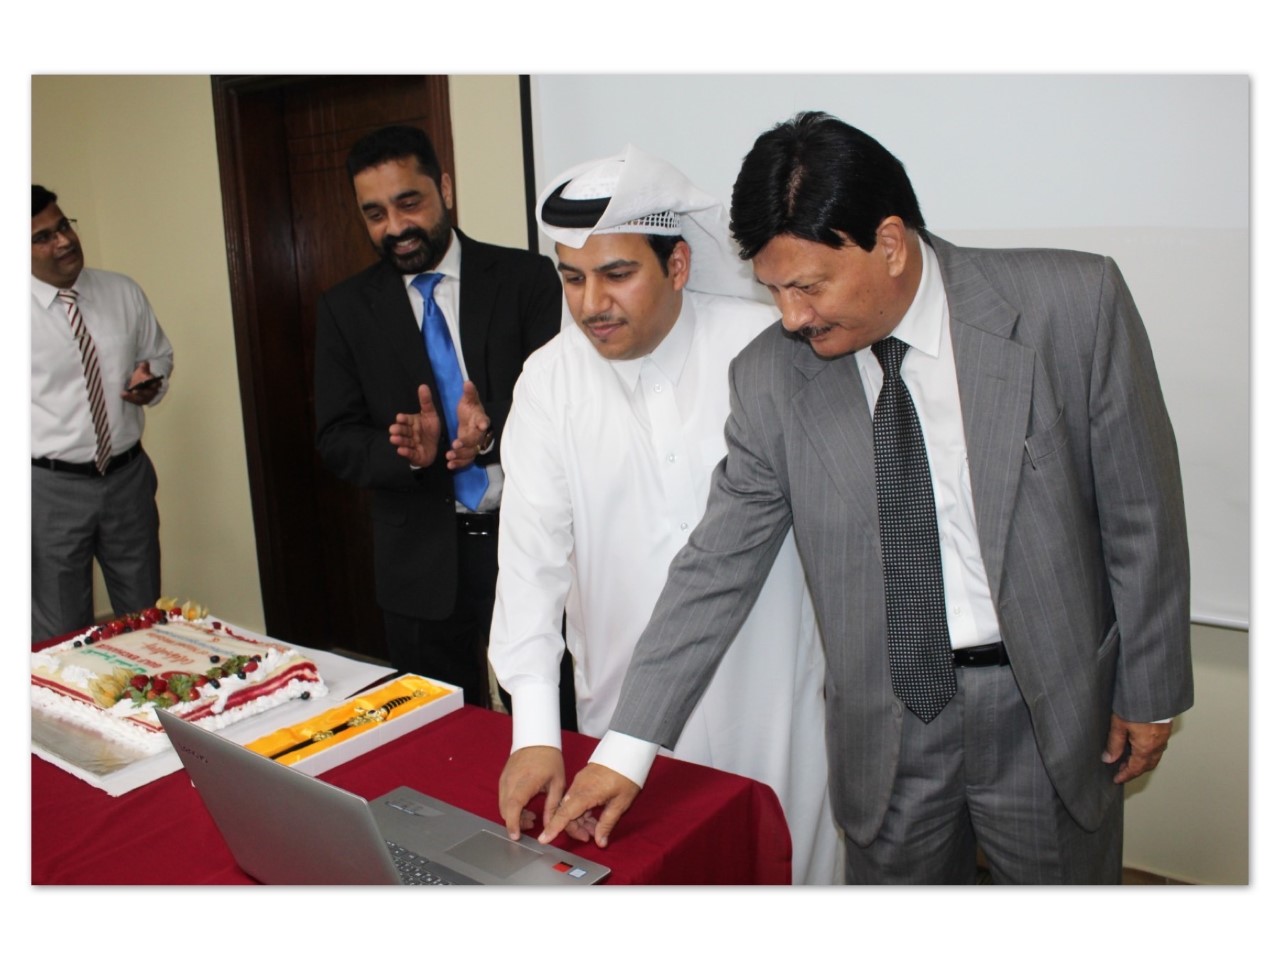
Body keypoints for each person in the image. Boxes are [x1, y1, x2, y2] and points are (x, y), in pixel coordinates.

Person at [542, 112, 1193, 884]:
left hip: (1043, 707)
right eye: (773, 290)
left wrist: (1150, 690)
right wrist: (623, 752)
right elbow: (714, 567)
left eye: (808, 287)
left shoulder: (1071, 306)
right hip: (888, 734)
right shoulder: (772, 377)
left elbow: (1140, 514)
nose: (791, 317)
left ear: (889, 244)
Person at [485, 146, 839, 883]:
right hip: (620, 720)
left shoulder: (764, 348)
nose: (591, 304)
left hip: (775, 698)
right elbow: (529, 565)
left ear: (677, 265)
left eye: (616, 274)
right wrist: (535, 732)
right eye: (572, 278)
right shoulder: (548, 382)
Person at [313, 125, 562, 706]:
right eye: (375, 213)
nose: (395, 227)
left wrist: (488, 430)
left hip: (528, 544)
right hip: (418, 563)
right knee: (444, 732)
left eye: (409, 202)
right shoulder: (345, 309)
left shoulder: (526, 279)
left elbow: (563, 403)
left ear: (444, 189)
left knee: (549, 717)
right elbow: (336, 437)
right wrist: (406, 454)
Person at [31, 185, 174, 642]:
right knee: (61, 637)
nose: (63, 242)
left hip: (127, 480)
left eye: (63, 226)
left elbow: (159, 355)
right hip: (49, 490)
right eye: (42, 237)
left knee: (145, 621)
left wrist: (151, 382)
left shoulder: (122, 291)